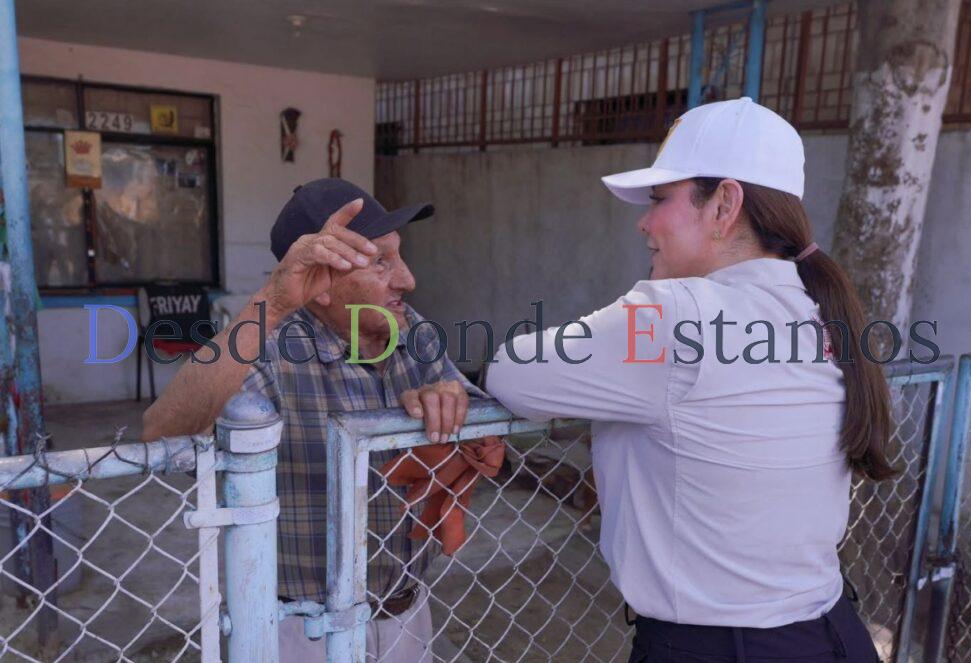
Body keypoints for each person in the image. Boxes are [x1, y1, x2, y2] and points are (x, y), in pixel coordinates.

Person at [485, 97, 886, 662]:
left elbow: (512, 372)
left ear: (724, 203)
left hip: (719, 649)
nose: (644, 222)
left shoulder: (679, 315)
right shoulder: (817, 307)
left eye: (659, 200)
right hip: (833, 634)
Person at [142, 179, 482, 662]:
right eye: (381, 262)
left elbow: (464, 401)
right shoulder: (272, 354)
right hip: (299, 632)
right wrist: (273, 304)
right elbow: (162, 435)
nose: (407, 279)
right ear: (322, 284)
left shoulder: (411, 328)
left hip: (408, 612)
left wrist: (453, 396)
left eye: (399, 256)